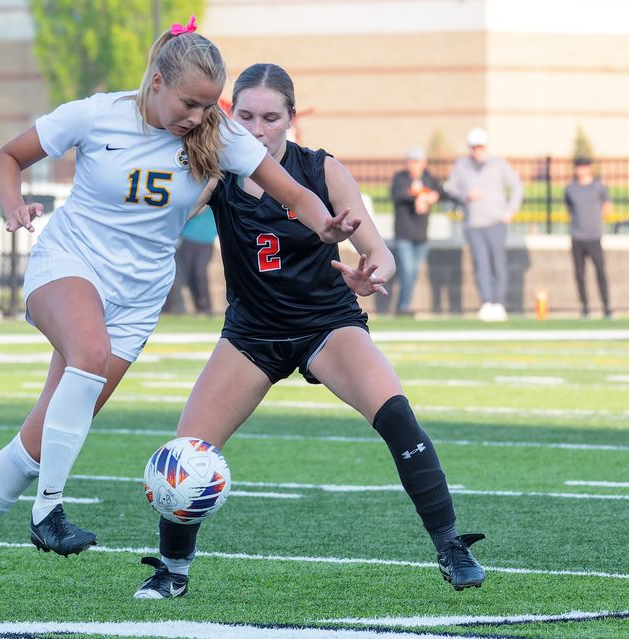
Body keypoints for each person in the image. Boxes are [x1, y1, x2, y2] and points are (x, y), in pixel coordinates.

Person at [0, 17, 360, 608]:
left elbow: (293, 192)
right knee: (89, 355)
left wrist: (327, 227)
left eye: (209, 105)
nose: (199, 116)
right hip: (70, 264)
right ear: (157, 81)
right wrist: (12, 203)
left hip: (139, 296)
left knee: (40, 440)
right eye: (190, 103)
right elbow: (7, 157)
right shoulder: (96, 115)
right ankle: (49, 511)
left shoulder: (217, 133)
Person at [133, 63, 485, 600]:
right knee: (187, 451)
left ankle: (450, 545)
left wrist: (371, 276)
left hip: (326, 323)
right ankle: (172, 570)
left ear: (291, 118)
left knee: (397, 415)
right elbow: (159, 220)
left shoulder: (321, 169)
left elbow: (378, 252)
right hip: (252, 334)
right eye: (245, 116)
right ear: (228, 116)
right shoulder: (215, 171)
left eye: (270, 118)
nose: (257, 129)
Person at [446, 128, 523, 322]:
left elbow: (517, 186)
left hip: (496, 222)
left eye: (480, 147)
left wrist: (510, 210)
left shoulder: (498, 164)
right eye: (474, 147)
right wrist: (466, 196)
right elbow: (451, 189)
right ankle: (487, 302)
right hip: (473, 224)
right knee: (481, 265)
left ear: (485, 147)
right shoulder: (461, 166)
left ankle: (499, 303)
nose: (477, 151)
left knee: (498, 263)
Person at [390, 148, 441, 316]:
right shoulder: (401, 178)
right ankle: (404, 306)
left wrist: (433, 196)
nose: (414, 165)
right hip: (404, 233)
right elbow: (398, 195)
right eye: (412, 161)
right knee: (407, 269)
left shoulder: (428, 178)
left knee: (413, 272)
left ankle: (404, 304)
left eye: (418, 162)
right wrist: (418, 197)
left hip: (421, 234)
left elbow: (441, 193)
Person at [565, 157, 613, 319]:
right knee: (579, 274)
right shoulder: (571, 188)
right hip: (577, 237)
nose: (581, 170)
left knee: (600, 272)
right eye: (578, 167)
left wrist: (598, 218)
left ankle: (606, 306)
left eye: (584, 167)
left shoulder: (598, 187)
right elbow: (569, 208)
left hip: (594, 236)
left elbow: (607, 205)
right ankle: (584, 307)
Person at [178, 206, 218, 315]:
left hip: (207, 242)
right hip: (188, 239)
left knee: (200, 271)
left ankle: (205, 306)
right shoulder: (192, 200)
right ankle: (197, 306)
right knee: (188, 274)